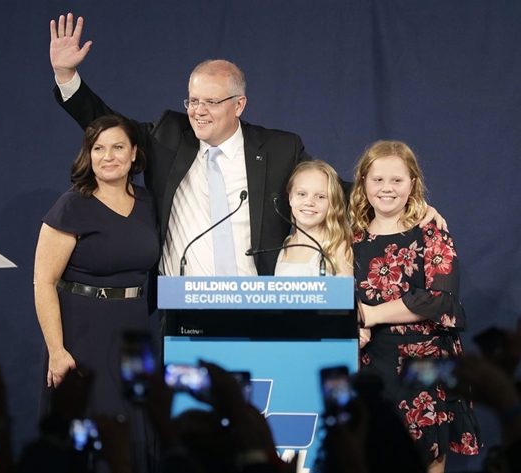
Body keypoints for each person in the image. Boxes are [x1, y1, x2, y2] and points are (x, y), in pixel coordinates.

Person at [49, 14, 446, 279]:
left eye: (210, 102)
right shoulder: (167, 135)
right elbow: (107, 127)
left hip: (258, 299)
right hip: (185, 301)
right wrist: (67, 76)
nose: (198, 112)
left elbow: (338, 192)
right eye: (193, 100)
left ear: (239, 104)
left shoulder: (278, 148)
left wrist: (413, 206)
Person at [33, 115, 159, 472]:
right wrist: (57, 351)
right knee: (89, 432)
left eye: (118, 147)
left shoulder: (149, 201)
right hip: (82, 332)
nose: (108, 156)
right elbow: (43, 281)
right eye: (98, 148)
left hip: (133, 333)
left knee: (133, 428)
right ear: (87, 155)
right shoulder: (72, 205)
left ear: (134, 153)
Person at [348, 140, 479, 473]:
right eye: (377, 179)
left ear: (412, 185)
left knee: (427, 461)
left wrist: (372, 314)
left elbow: (441, 301)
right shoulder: (350, 238)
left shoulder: (431, 232)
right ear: (363, 182)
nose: (387, 188)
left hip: (425, 367)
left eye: (397, 180)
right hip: (369, 365)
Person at [274, 160, 353, 277]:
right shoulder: (284, 244)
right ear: (290, 197)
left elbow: (342, 295)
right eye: (302, 194)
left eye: (320, 196)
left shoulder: (337, 248)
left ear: (332, 202)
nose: (309, 202)